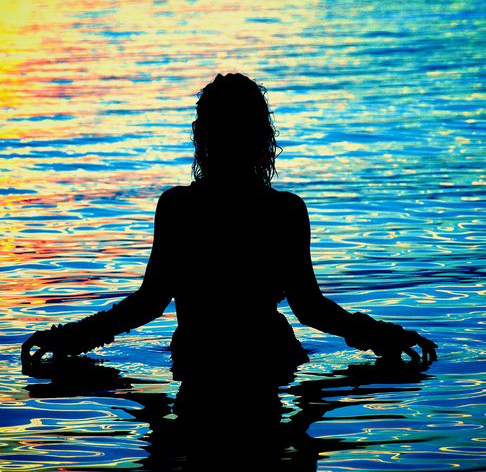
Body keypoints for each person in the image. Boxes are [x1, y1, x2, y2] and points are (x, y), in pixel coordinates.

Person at [21, 73, 438, 378]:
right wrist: (383, 336)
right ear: (263, 138)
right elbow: (310, 308)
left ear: (203, 137)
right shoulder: (284, 211)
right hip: (271, 357)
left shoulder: (179, 207)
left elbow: (149, 303)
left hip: (199, 359)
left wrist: (71, 338)